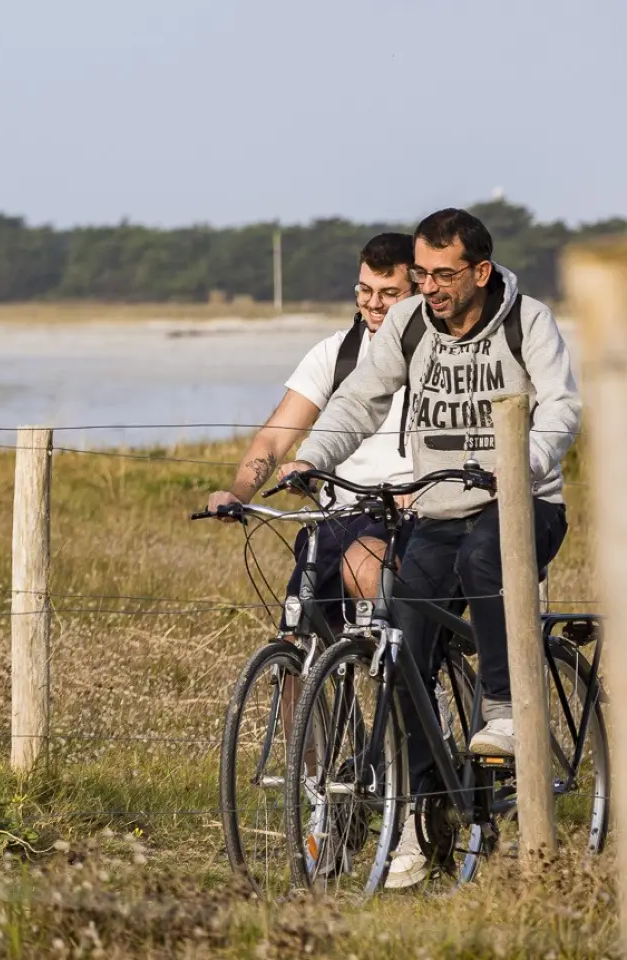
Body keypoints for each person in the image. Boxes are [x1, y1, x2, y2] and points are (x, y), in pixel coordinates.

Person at [281, 207, 582, 888]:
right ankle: (422, 816)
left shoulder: (526, 320)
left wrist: (520, 462)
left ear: (481, 271)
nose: (430, 287)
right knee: (405, 648)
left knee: (483, 560)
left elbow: (561, 408)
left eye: (443, 274)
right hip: (439, 510)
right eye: (421, 273)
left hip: (523, 502)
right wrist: (312, 456)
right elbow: (359, 398)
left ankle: (504, 710)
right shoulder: (412, 324)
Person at [206, 233, 420, 616]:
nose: (373, 303)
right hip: (340, 517)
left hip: (409, 518)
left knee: (367, 575)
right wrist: (239, 494)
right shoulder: (338, 353)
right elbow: (274, 437)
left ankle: (411, 653)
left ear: (419, 291)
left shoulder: (440, 355)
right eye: (365, 290)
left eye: (389, 293)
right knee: (299, 628)